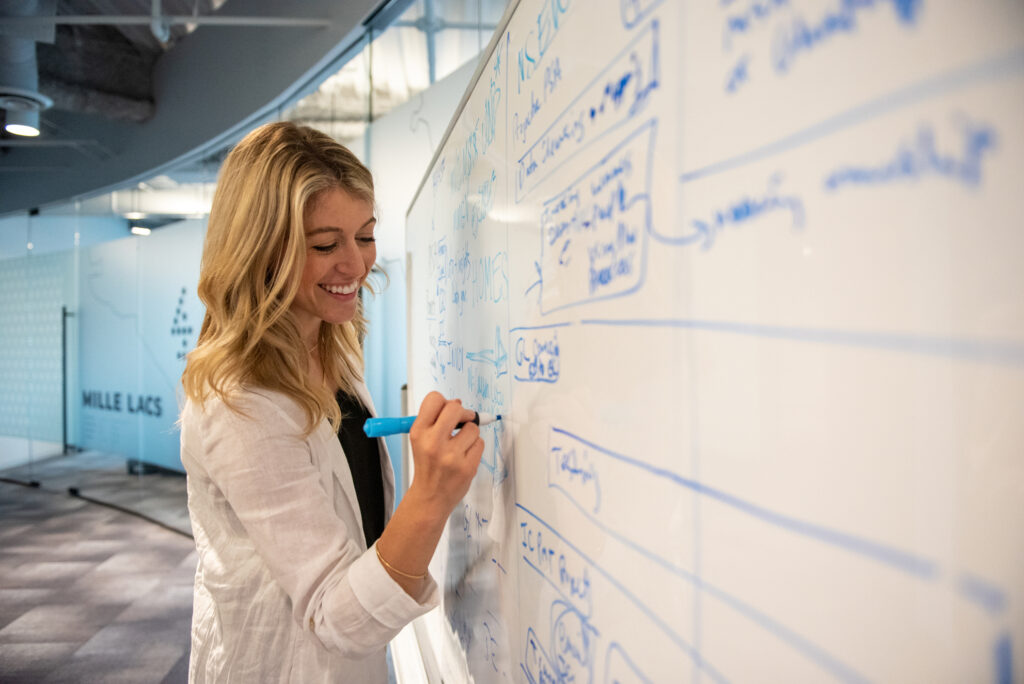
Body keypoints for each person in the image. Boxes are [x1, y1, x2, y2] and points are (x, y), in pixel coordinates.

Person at [179, 121, 484, 683]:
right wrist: (432, 493)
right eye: (325, 245)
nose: (356, 265)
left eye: (365, 236)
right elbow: (337, 618)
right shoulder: (241, 402)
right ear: (260, 251)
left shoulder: (328, 342)